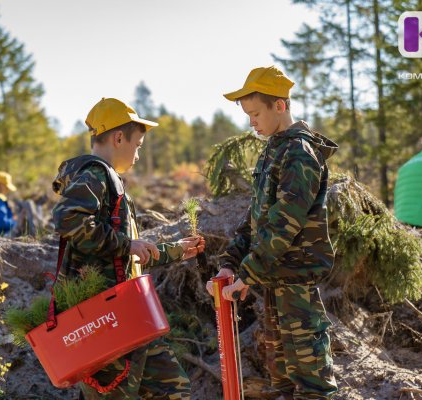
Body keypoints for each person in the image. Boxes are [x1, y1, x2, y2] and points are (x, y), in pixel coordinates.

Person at [52, 97, 205, 400]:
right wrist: (127, 244)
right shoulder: (94, 174)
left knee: (173, 389)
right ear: (119, 137)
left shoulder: (111, 181)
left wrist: (174, 250)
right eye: (138, 144)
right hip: (104, 318)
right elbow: (68, 220)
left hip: (129, 316)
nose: (138, 153)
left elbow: (124, 256)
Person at [206, 66, 338, 399]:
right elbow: (256, 220)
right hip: (274, 285)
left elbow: (284, 224)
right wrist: (230, 263)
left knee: (312, 386)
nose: (251, 121)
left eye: (255, 113)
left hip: (296, 287)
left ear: (279, 105)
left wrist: (248, 275)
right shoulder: (274, 150)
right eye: (248, 114)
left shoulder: (299, 154)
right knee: (282, 383)